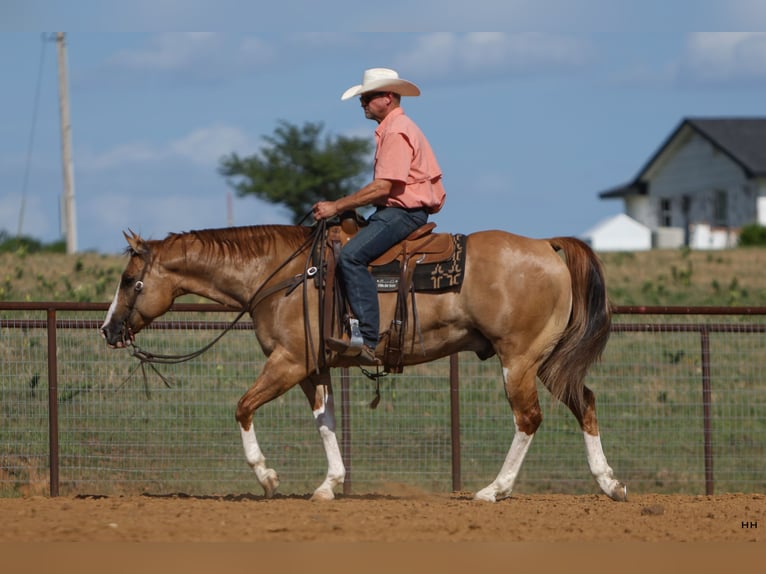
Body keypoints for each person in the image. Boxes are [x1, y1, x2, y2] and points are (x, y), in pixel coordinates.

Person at [312, 68, 446, 365]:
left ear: (388, 97)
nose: (362, 103)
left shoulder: (397, 131)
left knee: (350, 257)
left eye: (368, 97)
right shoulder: (396, 127)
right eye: (362, 98)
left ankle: (369, 339)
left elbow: (384, 186)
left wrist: (337, 206)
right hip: (399, 211)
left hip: (402, 214)